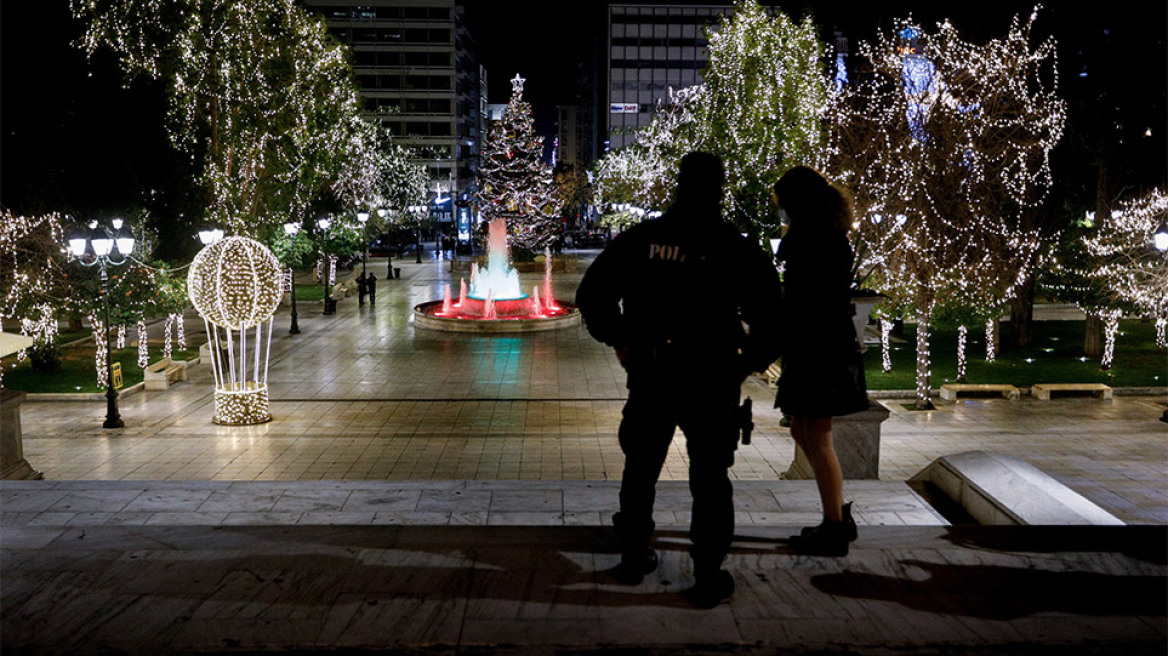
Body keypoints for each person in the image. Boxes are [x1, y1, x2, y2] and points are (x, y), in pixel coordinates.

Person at [575, 152, 783, 608]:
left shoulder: (643, 239)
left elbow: (592, 295)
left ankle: (634, 556)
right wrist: (748, 362)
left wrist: (622, 340)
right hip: (712, 376)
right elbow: (771, 313)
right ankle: (707, 573)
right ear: (720, 188)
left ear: (678, 185)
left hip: (653, 370)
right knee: (710, 477)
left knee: (642, 467)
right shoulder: (734, 246)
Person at [772, 166, 868, 557]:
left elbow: (805, 296)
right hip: (816, 343)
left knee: (818, 433)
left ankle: (835, 526)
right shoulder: (824, 232)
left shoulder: (814, 237)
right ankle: (836, 513)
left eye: (783, 204)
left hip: (819, 347)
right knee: (802, 430)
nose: (781, 212)